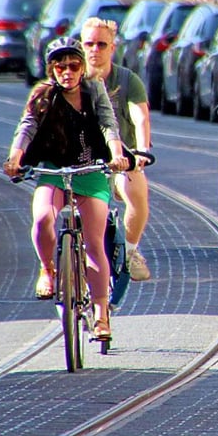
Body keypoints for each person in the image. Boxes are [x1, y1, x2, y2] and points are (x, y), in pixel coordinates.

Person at [3, 37, 129, 340]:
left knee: (95, 241)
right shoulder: (42, 94)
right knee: (43, 218)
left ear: (82, 67)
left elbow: (108, 123)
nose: (67, 72)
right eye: (60, 66)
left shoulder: (93, 89)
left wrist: (116, 155)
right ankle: (48, 270)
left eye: (73, 65)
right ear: (51, 69)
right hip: (53, 169)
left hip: (90, 169)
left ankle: (101, 314)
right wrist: (14, 158)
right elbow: (27, 126)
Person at [80, 17, 153, 282]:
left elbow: (140, 117)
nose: (95, 50)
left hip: (122, 158)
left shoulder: (127, 79)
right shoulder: (72, 78)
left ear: (112, 48)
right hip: (84, 158)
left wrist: (142, 150)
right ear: (81, 46)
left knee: (136, 191)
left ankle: (131, 251)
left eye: (102, 44)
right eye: (89, 44)